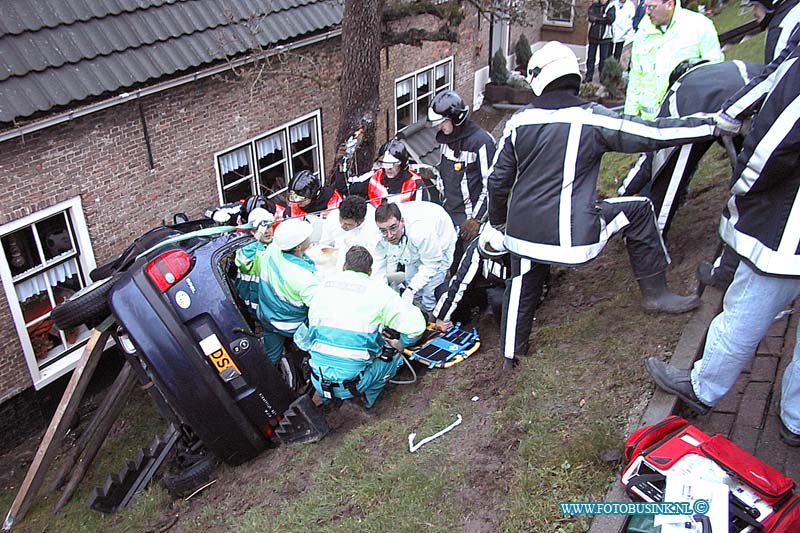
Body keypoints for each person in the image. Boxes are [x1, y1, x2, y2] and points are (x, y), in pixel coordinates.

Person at [488, 42, 718, 370]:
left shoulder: (517, 122)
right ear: (572, 75)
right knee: (639, 208)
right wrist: (712, 125)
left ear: (537, 79)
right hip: (574, 242)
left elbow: (497, 182)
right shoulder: (593, 118)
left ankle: (512, 354)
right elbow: (652, 134)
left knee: (521, 280)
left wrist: (498, 222)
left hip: (521, 237)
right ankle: (656, 293)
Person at [645, 39, 800, 446]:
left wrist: (743, 188)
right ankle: (796, 418)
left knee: (746, 309)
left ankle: (703, 386)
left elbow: (775, 144)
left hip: (790, 230)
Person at [618, 59, 764, 236]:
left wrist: (623, 193)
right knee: (756, 162)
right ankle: (753, 213)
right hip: (754, 100)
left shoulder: (677, 93)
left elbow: (650, 156)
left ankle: (653, 236)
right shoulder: (734, 65)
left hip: (698, 113)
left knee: (671, 173)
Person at [295, 246, 426, 408]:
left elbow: (300, 338)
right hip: (352, 384)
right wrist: (401, 344)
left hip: (317, 378)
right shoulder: (379, 292)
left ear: (344, 266)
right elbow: (416, 326)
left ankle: (330, 403)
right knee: (393, 358)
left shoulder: (322, 287)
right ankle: (367, 403)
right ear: (370, 272)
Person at [624, 0, 722, 121]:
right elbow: (635, 80)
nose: (647, 12)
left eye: (651, 7)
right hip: (650, 124)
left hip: (685, 122)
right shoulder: (642, 34)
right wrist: (628, 119)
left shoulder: (700, 26)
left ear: (669, 4)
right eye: (645, 6)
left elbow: (715, 74)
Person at [239, 218, 318, 365]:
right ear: (298, 247)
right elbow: (319, 309)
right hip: (291, 325)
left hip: (267, 317)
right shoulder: (304, 278)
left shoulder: (272, 250)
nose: (310, 237)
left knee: (271, 358)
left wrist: (259, 233)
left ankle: (270, 379)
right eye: (306, 236)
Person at [427, 90, 495, 240]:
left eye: (443, 122)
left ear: (456, 118)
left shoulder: (482, 142)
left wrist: (476, 219)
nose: (439, 127)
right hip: (449, 217)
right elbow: (446, 173)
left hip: (470, 222)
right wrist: (431, 173)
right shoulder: (447, 140)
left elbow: (491, 185)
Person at [373, 201, 457, 314]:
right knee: (411, 286)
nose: (389, 235)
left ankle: (431, 317)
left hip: (440, 242)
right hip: (413, 247)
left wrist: (411, 289)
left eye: (393, 228)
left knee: (429, 293)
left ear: (402, 221)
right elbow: (381, 265)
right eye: (383, 231)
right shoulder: (379, 233)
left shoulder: (420, 232)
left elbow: (432, 265)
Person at [432, 221, 512, 332]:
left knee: (498, 299)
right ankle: (461, 325)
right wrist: (442, 317)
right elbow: (460, 281)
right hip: (483, 285)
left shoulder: (518, 254)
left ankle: (504, 330)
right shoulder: (476, 246)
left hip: (506, 288)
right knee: (442, 290)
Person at [336, 139, 428, 207]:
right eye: (385, 164)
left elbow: (420, 214)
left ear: (401, 163)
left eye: (393, 164)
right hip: (377, 229)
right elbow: (345, 186)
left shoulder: (415, 185)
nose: (389, 168)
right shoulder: (374, 177)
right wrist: (342, 162)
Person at [319, 194, 382, 270]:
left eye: (348, 224)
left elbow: (376, 258)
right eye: (341, 220)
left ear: (361, 221)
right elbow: (324, 245)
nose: (342, 226)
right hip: (334, 263)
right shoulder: (332, 217)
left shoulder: (373, 226)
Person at [235, 207, 276, 320]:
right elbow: (243, 262)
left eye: (269, 226)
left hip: (271, 303)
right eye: (262, 229)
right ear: (253, 231)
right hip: (255, 304)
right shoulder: (247, 249)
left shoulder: (277, 244)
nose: (267, 231)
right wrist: (257, 235)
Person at [275, 170, 342, 219]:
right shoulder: (293, 206)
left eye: (302, 201)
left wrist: (331, 217)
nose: (298, 203)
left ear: (314, 195)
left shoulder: (333, 199)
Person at [586, 0, 616, 83]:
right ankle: (588, 76)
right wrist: (602, 17)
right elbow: (591, 17)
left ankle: (602, 78)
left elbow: (610, 19)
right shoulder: (594, 6)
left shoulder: (611, 7)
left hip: (605, 37)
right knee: (591, 57)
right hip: (593, 36)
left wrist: (598, 18)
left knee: (603, 59)